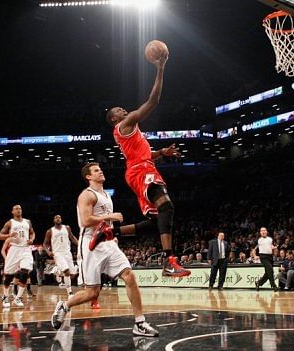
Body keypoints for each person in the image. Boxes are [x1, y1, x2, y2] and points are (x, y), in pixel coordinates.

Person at [105, 51, 190, 278]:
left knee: (155, 221)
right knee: (167, 207)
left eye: (123, 109)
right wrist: (160, 68)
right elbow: (153, 101)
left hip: (139, 169)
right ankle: (170, 261)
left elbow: (142, 155)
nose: (124, 110)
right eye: (119, 110)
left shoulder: (129, 133)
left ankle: (111, 232)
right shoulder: (126, 123)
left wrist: (162, 152)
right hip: (141, 172)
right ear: (115, 118)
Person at [51, 163, 158, 337]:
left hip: (107, 242)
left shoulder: (106, 195)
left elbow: (104, 222)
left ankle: (140, 322)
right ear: (88, 176)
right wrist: (110, 216)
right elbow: (85, 221)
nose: (100, 171)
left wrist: (112, 233)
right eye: (96, 170)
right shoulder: (86, 195)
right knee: (92, 293)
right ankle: (65, 305)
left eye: (100, 169)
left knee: (129, 276)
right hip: (90, 245)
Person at [0, 204, 36, 308]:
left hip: (26, 249)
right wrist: (9, 235)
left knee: (25, 272)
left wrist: (32, 239)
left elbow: (32, 233)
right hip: (14, 249)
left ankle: (17, 298)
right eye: (16, 208)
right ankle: (5, 296)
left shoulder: (28, 221)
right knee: (9, 276)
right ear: (12, 212)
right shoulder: (10, 222)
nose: (19, 210)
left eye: (20, 208)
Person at [43, 215, 79, 298]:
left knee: (72, 274)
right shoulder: (50, 231)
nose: (58, 218)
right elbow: (45, 243)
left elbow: (72, 238)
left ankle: (58, 271)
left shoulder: (67, 228)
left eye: (59, 217)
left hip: (67, 252)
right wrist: (48, 251)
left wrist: (80, 245)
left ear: (61, 219)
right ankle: (70, 293)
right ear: (53, 220)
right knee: (66, 271)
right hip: (57, 253)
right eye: (56, 217)